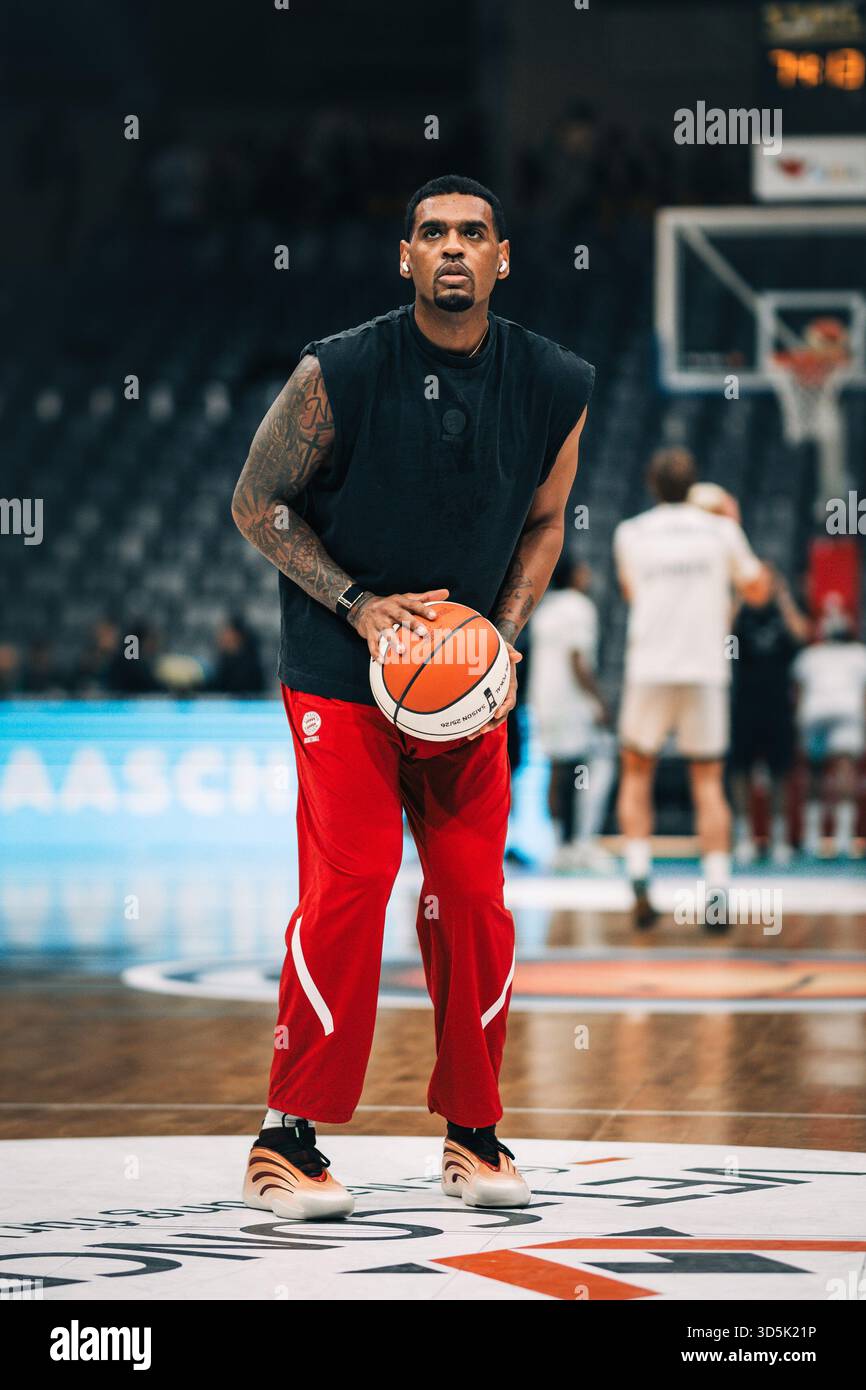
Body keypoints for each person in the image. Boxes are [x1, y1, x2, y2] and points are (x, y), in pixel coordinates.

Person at [231, 174, 595, 1218]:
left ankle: (473, 1135)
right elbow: (255, 502)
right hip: (343, 674)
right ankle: (284, 1136)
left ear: (500, 257)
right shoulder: (339, 369)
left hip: (465, 688)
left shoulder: (554, 380)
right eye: (430, 232)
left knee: (473, 896)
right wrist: (356, 603)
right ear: (404, 257)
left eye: (470, 234)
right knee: (353, 879)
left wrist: (506, 633)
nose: (450, 248)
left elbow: (545, 520)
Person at [613, 451, 770, 931]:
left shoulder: (631, 533)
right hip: (704, 669)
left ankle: (639, 880)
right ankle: (717, 893)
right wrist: (735, 527)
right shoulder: (721, 532)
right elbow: (760, 590)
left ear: (651, 485)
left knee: (637, 774)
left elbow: (631, 593)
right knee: (708, 781)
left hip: (650, 667)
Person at [528, 555, 614, 869]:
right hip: (571, 700)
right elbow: (577, 660)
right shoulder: (579, 607)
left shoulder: (544, 609)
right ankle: (581, 843)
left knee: (557, 770)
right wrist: (599, 699)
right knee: (590, 768)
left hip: (542, 699)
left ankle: (559, 844)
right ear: (575, 575)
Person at [729, 567, 809, 865]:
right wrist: (740, 596)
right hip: (745, 702)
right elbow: (720, 634)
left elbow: (802, 634)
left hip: (778, 704)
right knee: (740, 771)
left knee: (779, 772)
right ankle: (744, 837)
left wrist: (785, 598)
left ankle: (778, 839)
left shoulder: (783, 612)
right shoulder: (743, 615)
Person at [793, 609, 866, 858]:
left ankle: (814, 837)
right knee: (843, 770)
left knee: (815, 771)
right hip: (844, 713)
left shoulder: (812, 655)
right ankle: (842, 837)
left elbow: (798, 693)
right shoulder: (856, 654)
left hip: (817, 713)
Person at [209, 614, 265, 695]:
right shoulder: (224, 660)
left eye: (226, 631)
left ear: (236, 635)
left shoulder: (249, 666)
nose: (221, 636)